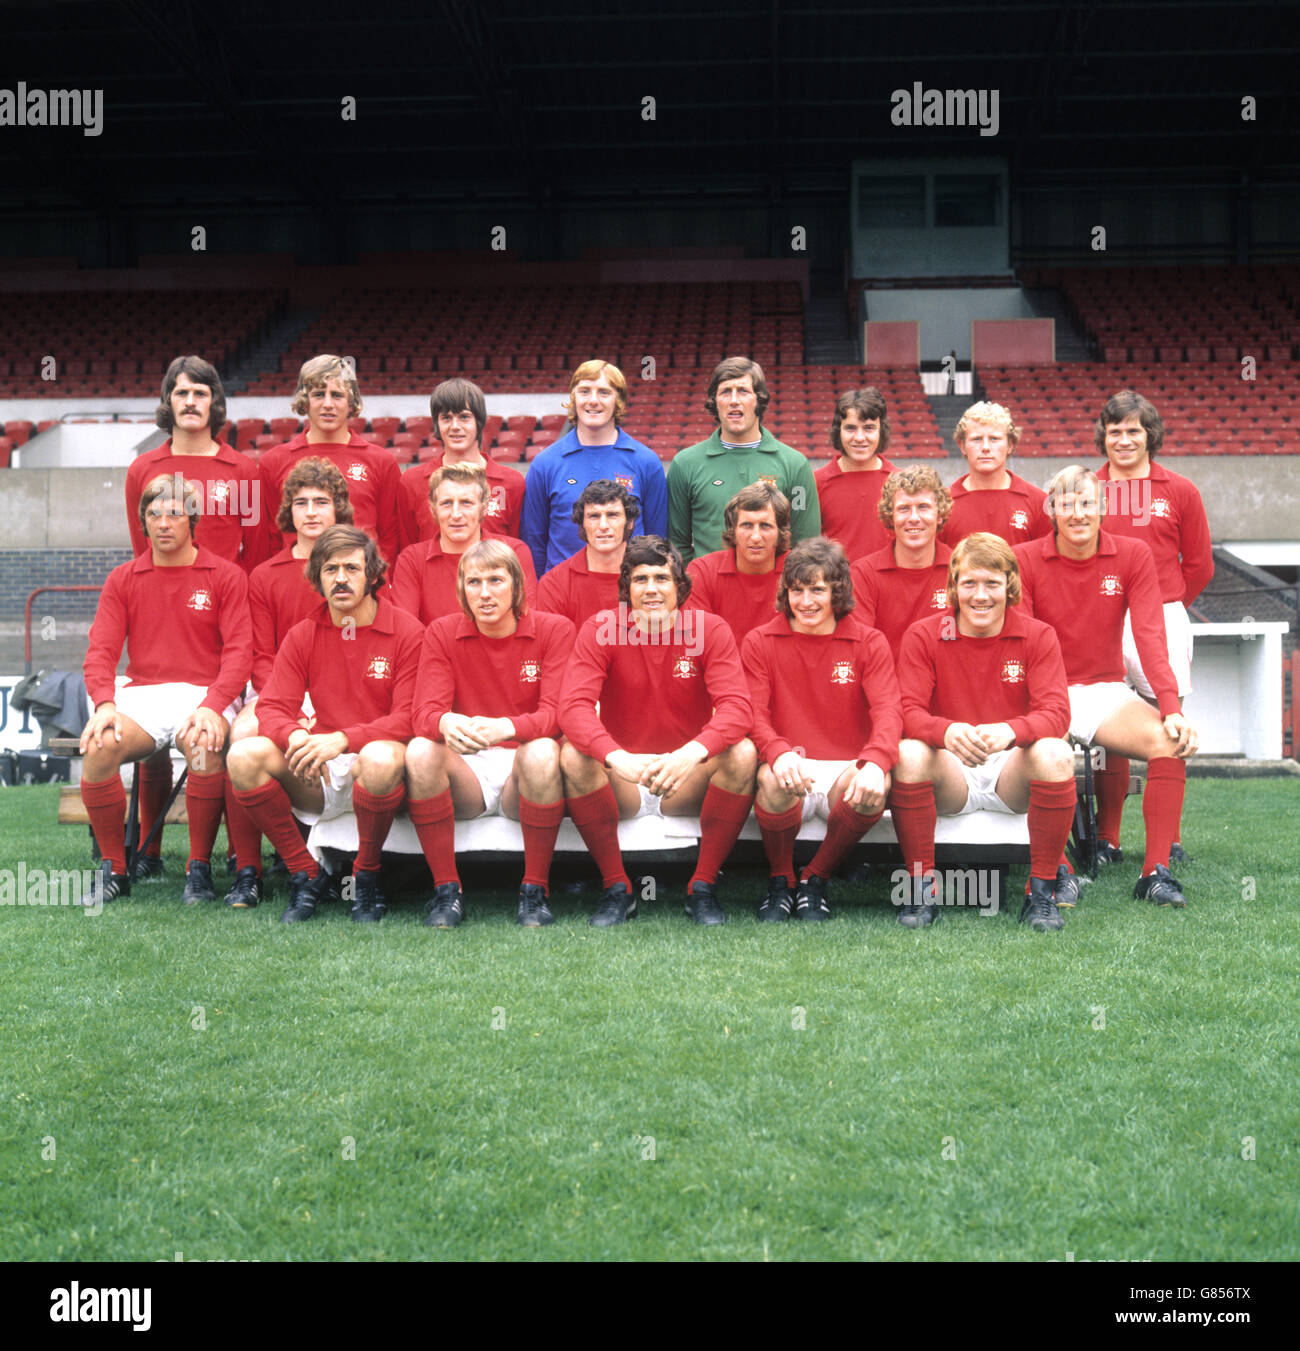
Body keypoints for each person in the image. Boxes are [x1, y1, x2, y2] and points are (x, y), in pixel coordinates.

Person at [1015, 466, 1199, 907]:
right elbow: (1022, 639)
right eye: (1066, 504)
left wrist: (1171, 707)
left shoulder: (1133, 554)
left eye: (1086, 503)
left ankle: (1155, 872)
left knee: (1168, 741)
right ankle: (1060, 868)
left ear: (1102, 508)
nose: (1077, 513)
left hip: (1104, 689)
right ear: (1052, 510)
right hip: (1045, 691)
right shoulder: (1023, 557)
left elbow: (1151, 635)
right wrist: (1044, 703)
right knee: (1045, 758)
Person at [228, 526, 424, 924]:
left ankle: (365, 878)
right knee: (244, 755)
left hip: (382, 770)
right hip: (321, 768)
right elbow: (273, 708)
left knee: (380, 757)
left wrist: (342, 739)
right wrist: (296, 734)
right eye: (330, 569)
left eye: (352, 568)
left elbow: (409, 718)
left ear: (372, 574)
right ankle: (305, 873)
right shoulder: (303, 634)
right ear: (317, 577)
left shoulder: (407, 631)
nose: (340, 578)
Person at [123, 355, 270, 880]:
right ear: (169, 402)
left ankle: (233, 853)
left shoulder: (245, 470)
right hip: (166, 622)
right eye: (181, 393)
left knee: (223, 732)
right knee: (154, 731)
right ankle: (148, 850)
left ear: (215, 403)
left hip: (229, 619)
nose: (191, 402)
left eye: (201, 394)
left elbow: (258, 552)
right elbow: (142, 551)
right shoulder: (144, 469)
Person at [558, 536, 756, 926]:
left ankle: (702, 885)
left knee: (744, 752)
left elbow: (738, 708)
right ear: (626, 588)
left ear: (680, 586)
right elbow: (573, 708)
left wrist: (690, 754)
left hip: (684, 778)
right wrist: (617, 757)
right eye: (640, 579)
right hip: (624, 778)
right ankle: (617, 887)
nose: (651, 589)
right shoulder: (601, 628)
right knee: (571, 753)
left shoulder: (709, 629)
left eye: (662, 578)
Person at [80, 475, 252, 904]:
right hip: (144, 694)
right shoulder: (123, 578)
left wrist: (214, 705)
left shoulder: (225, 575)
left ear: (192, 519)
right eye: (153, 514)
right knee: (100, 745)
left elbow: (239, 653)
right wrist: (104, 703)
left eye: (173, 513)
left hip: (206, 691)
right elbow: (100, 650)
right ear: (143, 522)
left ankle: (199, 869)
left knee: (202, 744)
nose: (163, 522)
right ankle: (113, 868)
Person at [892, 533, 1077, 931]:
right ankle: (921, 891)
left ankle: (1041, 895)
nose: (980, 595)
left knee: (1056, 753)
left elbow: (1058, 713)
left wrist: (1012, 731)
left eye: (992, 584)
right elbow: (905, 710)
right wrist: (945, 731)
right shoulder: (924, 635)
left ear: (1009, 585)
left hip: (1009, 771)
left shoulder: (1038, 635)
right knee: (908, 753)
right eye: (969, 583)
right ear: (954, 586)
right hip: (951, 772)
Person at [405, 541, 575, 928]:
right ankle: (446, 890)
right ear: (461, 589)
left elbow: (560, 714)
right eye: (473, 582)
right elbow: (424, 712)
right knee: (419, 749)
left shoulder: (555, 630)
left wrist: (508, 726)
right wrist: (446, 723)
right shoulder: (443, 632)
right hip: (469, 769)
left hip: (525, 768)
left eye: (496, 580)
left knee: (544, 750)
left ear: (517, 586)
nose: (484, 592)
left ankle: (535, 890)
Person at [742, 538, 902, 922]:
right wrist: (777, 752)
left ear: (838, 591)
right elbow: (752, 713)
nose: (806, 601)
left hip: (844, 765)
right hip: (788, 765)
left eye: (817, 590)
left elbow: (889, 711)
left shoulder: (869, 641)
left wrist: (876, 763)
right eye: (797, 590)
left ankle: (816, 878)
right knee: (771, 778)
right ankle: (782, 881)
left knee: (873, 788)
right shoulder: (759, 640)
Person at [220, 458, 354, 908]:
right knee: (241, 732)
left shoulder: (355, 567)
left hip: (342, 692)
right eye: (301, 503)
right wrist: (290, 702)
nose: (312, 511)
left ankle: (346, 860)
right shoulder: (265, 574)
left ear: (339, 509)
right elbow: (260, 654)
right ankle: (247, 868)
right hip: (280, 689)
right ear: (288, 512)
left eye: (322, 502)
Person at [1093, 390, 1213, 865]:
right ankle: (1109, 838)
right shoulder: (1087, 489)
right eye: (1115, 430)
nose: (1123, 439)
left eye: (1133, 430)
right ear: (1104, 436)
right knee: (1107, 729)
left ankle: (1169, 838)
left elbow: (1200, 564)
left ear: (1150, 436)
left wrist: (1165, 605)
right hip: (1098, 617)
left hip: (1161, 617)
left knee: (1170, 722)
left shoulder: (1179, 490)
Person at [667, 356, 821, 563]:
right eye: (725, 392)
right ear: (715, 401)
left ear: (759, 400)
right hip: (709, 591)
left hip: (773, 592)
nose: (733, 400)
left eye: (743, 391)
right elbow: (677, 544)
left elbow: (805, 544)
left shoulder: (795, 465)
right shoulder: (684, 464)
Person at [521, 360, 667, 576]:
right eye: (585, 391)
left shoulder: (646, 462)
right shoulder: (545, 464)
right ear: (573, 398)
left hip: (628, 590)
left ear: (618, 400)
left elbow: (657, 539)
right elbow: (533, 542)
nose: (593, 400)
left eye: (604, 392)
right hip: (563, 595)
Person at [259, 354, 404, 565]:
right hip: (295, 585)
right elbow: (270, 537)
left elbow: (390, 537)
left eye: (336, 395)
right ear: (305, 400)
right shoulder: (273, 462)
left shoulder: (382, 462)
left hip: (362, 585)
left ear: (350, 401)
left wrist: (376, 585)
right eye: (319, 394)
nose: (328, 404)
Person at [390, 464, 536, 624]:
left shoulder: (514, 551)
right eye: (446, 503)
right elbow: (406, 628)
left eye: (466, 502)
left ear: (483, 507)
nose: (456, 514)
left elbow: (526, 618)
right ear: (433, 509)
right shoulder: (412, 560)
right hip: (433, 648)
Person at [397, 377, 525, 544]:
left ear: (479, 422)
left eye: (464, 417)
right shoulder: (411, 482)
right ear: (437, 424)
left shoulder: (512, 483)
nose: (455, 426)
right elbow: (407, 548)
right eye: (446, 418)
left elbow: (516, 550)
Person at [850, 465, 954, 656]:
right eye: (904, 509)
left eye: (923, 507)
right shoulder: (864, 574)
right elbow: (861, 649)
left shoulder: (959, 570)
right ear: (890, 517)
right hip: (884, 683)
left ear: (939, 515)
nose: (914, 518)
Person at [684, 481, 789, 646]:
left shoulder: (797, 571)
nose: (755, 537)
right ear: (732, 531)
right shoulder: (702, 572)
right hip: (721, 667)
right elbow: (697, 640)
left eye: (765, 526)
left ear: (780, 532)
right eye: (747, 525)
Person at [941, 401, 1052, 547]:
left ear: (1010, 445)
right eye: (976, 439)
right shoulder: (943, 505)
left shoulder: (1039, 503)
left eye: (994, 439)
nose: (986, 447)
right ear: (962, 446)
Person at [535, 479, 638, 628]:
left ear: (630, 523)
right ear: (582, 523)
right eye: (594, 516)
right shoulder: (554, 584)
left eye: (612, 515)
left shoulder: (652, 579)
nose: (603, 526)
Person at [813, 387, 898, 560]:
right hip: (836, 584)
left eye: (868, 428)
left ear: (881, 430)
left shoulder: (899, 482)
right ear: (839, 430)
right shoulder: (816, 482)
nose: (859, 437)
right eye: (851, 428)